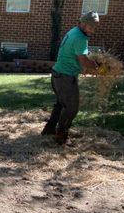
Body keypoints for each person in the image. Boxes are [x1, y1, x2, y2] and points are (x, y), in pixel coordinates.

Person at [41, 11, 99, 145]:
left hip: (57, 74)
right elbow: (84, 61)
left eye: (95, 27)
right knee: (72, 108)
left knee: (61, 105)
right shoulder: (80, 38)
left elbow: (78, 55)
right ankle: (61, 137)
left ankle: (49, 130)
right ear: (83, 24)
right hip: (66, 78)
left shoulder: (74, 31)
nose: (93, 30)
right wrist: (97, 68)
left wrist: (85, 65)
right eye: (91, 27)